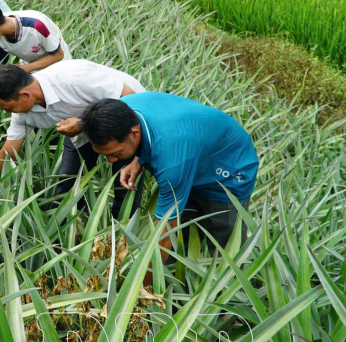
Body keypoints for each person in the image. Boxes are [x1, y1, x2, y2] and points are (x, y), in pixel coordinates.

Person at [82, 94, 259, 280]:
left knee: (226, 249)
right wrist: (138, 159)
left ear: (134, 134)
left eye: (116, 153)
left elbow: (164, 236)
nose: (111, 161)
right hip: (190, 155)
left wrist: (139, 294)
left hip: (229, 169)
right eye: (105, 155)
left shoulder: (172, 163)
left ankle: (228, 302)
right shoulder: (122, 110)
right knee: (183, 238)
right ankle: (177, 287)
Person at [0, 61, 145, 218]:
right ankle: (75, 228)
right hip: (80, 127)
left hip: (128, 117)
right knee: (67, 184)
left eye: (7, 108)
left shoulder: (74, 78)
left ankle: (121, 231)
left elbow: (131, 99)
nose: (8, 113)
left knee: (124, 183)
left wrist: (82, 123)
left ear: (25, 95)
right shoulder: (22, 114)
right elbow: (8, 153)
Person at [0, 3, 70, 86]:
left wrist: (24, 69)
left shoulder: (36, 25)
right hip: (29, 65)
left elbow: (58, 55)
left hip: (58, 65)